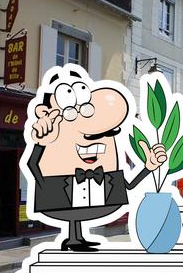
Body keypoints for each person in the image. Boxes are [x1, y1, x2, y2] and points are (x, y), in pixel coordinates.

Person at [25, 66, 167, 252]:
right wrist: (44, 178)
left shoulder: (107, 173)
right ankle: (74, 238)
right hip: (60, 188)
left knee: (77, 211)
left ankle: (77, 238)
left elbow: (129, 186)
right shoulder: (51, 137)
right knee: (72, 210)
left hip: (92, 189)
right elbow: (31, 163)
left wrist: (148, 166)